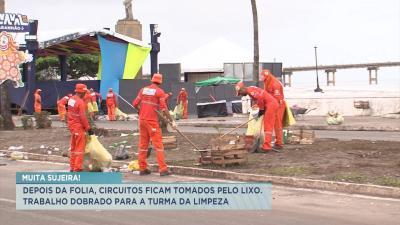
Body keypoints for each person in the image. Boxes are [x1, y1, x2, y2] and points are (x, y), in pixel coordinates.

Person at [132, 73, 177, 176]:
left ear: (152, 80)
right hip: (151, 122)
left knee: (143, 145)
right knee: (158, 145)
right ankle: (163, 169)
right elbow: (163, 108)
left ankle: (142, 168)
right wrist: (172, 121)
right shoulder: (160, 92)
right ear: (160, 82)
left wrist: (140, 111)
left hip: (142, 121)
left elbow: (135, 104)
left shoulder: (143, 90)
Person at [235, 81, 280, 152]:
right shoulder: (250, 90)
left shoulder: (250, 91)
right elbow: (258, 99)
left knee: (268, 127)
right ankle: (265, 145)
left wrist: (261, 109)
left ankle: (266, 147)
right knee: (266, 126)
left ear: (242, 89)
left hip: (271, 105)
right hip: (269, 105)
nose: (241, 95)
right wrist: (258, 108)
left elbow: (260, 97)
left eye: (240, 93)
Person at [67, 84, 93, 172]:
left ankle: (72, 167)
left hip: (72, 126)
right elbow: (82, 117)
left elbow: (71, 113)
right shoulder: (80, 102)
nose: (85, 94)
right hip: (78, 127)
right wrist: (88, 128)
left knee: (73, 148)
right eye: (84, 92)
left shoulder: (71, 99)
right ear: (82, 92)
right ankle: (77, 168)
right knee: (79, 148)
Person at [260, 69, 286, 149]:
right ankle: (277, 142)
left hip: (278, 105)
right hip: (272, 104)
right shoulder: (267, 82)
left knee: (277, 124)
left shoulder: (275, 84)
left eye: (262, 76)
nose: (261, 77)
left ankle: (279, 143)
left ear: (266, 76)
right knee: (273, 124)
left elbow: (277, 98)